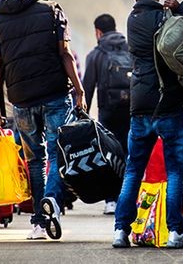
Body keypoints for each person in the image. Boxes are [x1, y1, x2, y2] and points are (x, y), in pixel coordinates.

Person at [112, 0, 183, 248]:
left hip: (140, 106)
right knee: (174, 172)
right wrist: (181, 7)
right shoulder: (168, 19)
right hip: (168, 104)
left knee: (133, 170)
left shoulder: (131, 21)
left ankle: (121, 232)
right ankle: (174, 233)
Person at [0, 0, 86, 240]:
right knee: (56, 153)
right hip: (54, 94)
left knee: (34, 160)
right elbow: (65, 52)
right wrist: (79, 89)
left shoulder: (0, 21)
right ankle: (52, 201)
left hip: (20, 100)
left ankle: (39, 223)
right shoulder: (52, 10)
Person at [83, 14, 131, 215]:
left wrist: (83, 114)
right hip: (131, 109)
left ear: (98, 32)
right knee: (130, 154)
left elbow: (87, 88)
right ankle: (129, 197)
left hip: (108, 112)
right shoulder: (131, 49)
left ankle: (111, 200)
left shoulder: (96, 54)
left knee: (109, 155)